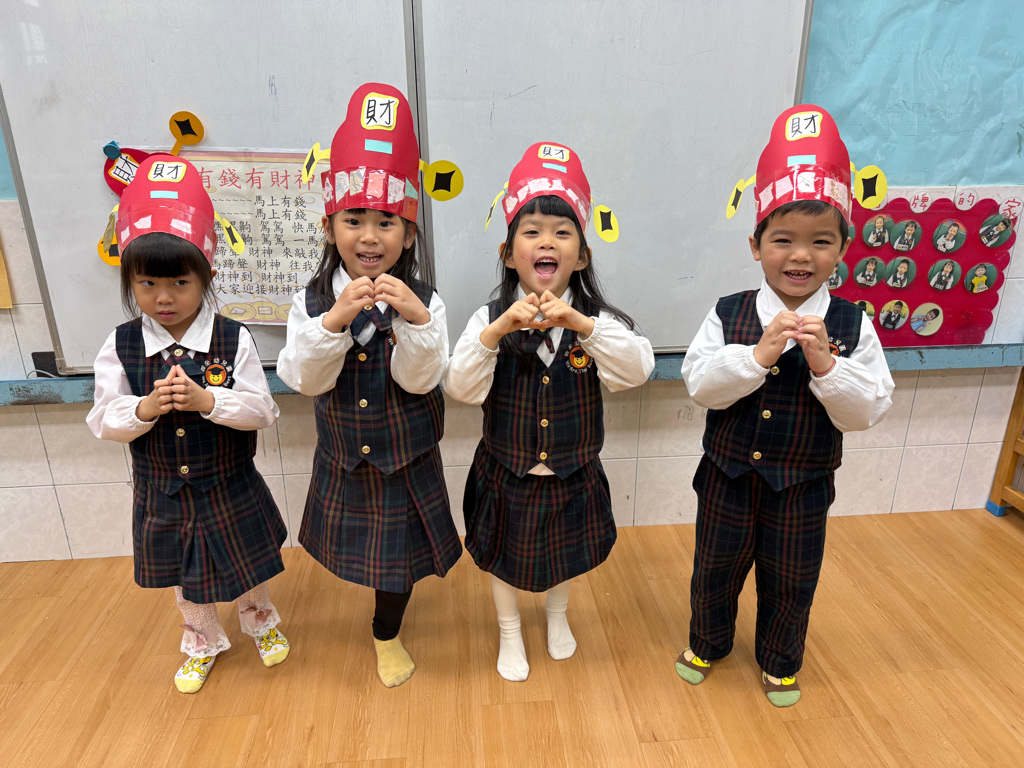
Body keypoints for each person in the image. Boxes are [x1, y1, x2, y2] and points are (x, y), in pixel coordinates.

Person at [676, 105, 894, 707]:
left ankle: (780, 660)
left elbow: (867, 409)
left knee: (792, 579)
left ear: (842, 248)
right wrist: (754, 357)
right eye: (783, 241)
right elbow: (700, 385)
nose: (801, 256)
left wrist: (827, 366)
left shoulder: (852, 323)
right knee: (714, 569)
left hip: (803, 486)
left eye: (821, 242)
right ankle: (707, 642)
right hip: (726, 479)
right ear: (755, 245)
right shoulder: (729, 312)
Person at [445, 142, 654, 682]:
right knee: (502, 556)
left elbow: (636, 370)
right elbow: (461, 388)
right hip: (506, 471)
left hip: (572, 471)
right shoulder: (488, 318)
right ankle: (509, 629)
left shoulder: (596, 322)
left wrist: (583, 325)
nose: (546, 242)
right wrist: (498, 330)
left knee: (564, 555)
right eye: (532, 231)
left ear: (581, 256)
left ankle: (557, 616)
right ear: (508, 252)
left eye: (562, 233)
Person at [277, 83, 461, 688]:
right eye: (353, 220)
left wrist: (418, 322)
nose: (369, 236)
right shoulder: (310, 302)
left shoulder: (427, 300)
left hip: (406, 459)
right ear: (330, 227)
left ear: (408, 235)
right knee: (361, 553)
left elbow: (421, 379)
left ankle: (387, 632)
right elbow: (305, 380)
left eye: (387, 222)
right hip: (345, 458)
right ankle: (378, 620)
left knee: (398, 563)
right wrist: (332, 322)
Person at [87, 155, 290, 694]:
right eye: (147, 283)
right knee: (186, 578)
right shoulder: (121, 344)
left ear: (207, 276)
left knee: (247, 564)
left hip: (229, 483)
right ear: (130, 280)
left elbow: (263, 411)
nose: (164, 297)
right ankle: (201, 643)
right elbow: (102, 419)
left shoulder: (232, 337)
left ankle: (261, 623)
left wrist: (209, 401)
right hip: (163, 492)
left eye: (180, 281)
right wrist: (144, 409)